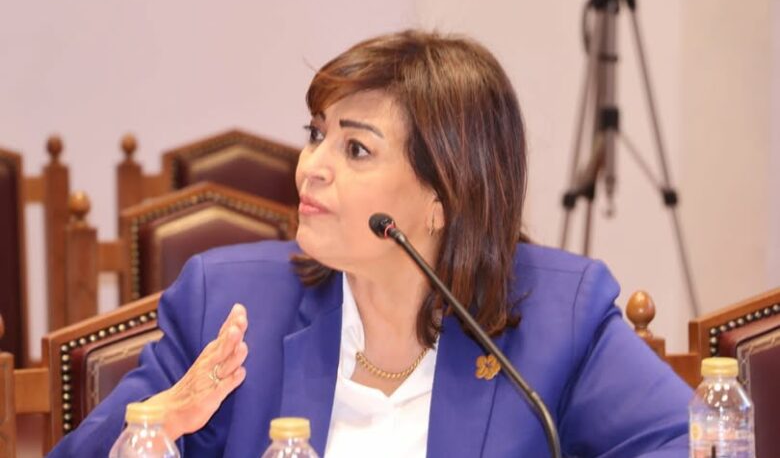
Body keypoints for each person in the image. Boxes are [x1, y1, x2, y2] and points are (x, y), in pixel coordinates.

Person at [48, 30, 690, 457]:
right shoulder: (229, 303)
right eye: (316, 134)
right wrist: (160, 423)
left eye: (355, 149)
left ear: (443, 197)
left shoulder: (557, 316)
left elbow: (693, 444)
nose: (312, 167)